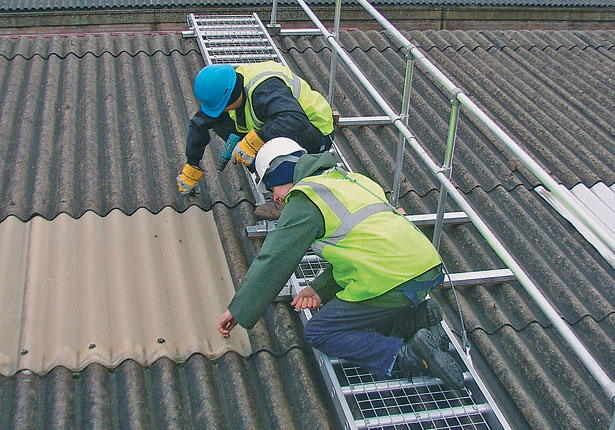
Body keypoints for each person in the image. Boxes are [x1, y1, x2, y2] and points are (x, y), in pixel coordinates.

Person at [217, 137, 465, 390]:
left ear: (279, 173)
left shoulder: (305, 198)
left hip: (391, 280)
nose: (275, 199)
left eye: (271, 190)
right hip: (425, 266)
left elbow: (275, 258)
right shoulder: (351, 180)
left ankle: (406, 356)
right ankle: (417, 319)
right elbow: (362, 250)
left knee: (320, 332)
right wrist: (317, 289)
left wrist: (239, 310)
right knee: (357, 316)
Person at [176, 61, 335, 219]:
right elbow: (199, 125)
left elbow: (294, 119)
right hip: (284, 124)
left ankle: (285, 196)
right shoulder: (226, 86)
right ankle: (268, 172)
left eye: (222, 106)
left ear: (230, 97)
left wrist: (255, 141)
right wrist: (192, 164)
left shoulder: (265, 89)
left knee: (269, 142)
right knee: (219, 120)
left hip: (315, 131)